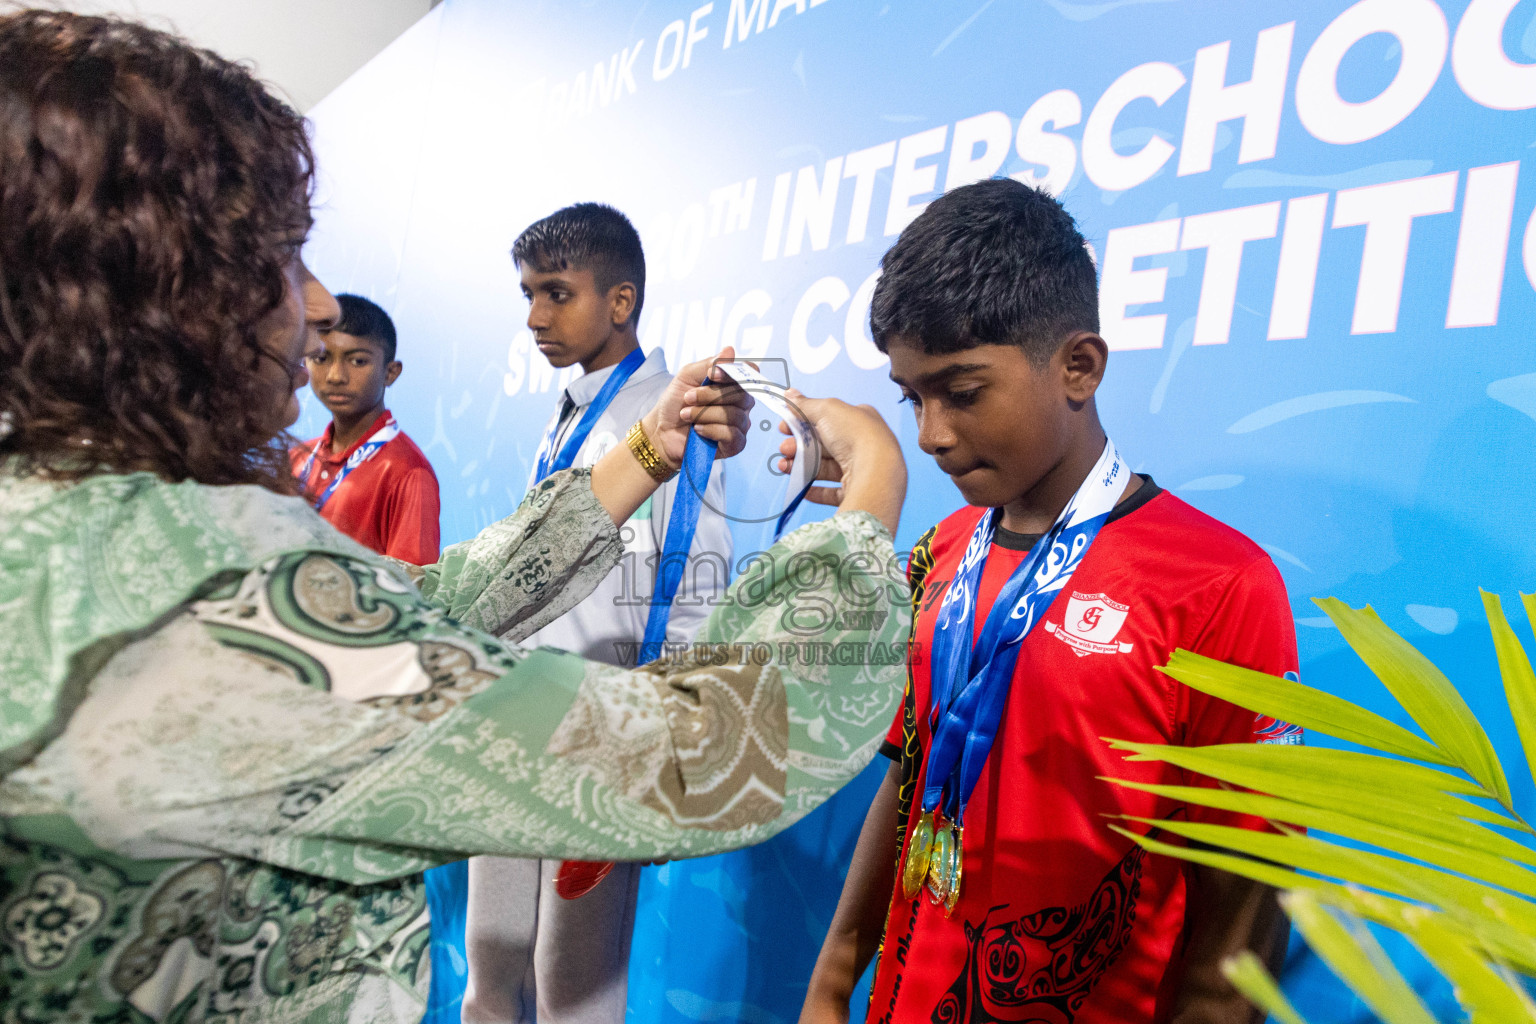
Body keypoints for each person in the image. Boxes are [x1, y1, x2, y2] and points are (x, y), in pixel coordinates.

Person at [0, 11, 910, 1024]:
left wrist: (646, 451)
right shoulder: (215, 603)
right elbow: (710, 755)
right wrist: (868, 496)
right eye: (281, 255)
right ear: (163, 285)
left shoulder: (69, 524)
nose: (313, 308)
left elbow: (420, 604)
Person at [797, 179, 1296, 1024]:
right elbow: (913, 775)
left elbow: (1246, 894)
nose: (931, 434)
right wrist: (834, 979)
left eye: (962, 390)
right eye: (911, 398)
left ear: (1079, 365)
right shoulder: (941, 553)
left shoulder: (1217, 582)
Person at [456, 204, 734, 1024]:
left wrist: (663, 732)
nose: (536, 317)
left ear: (620, 302)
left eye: (557, 293)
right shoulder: (574, 409)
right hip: (516, 709)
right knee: (494, 948)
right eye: (528, 295)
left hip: (600, 724)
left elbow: (694, 582)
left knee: (576, 981)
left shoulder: (676, 415)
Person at [290, 293, 441, 565]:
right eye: (321, 358)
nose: (336, 376)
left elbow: (414, 589)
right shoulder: (296, 459)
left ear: (390, 373)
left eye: (358, 361)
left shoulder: (407, 473)